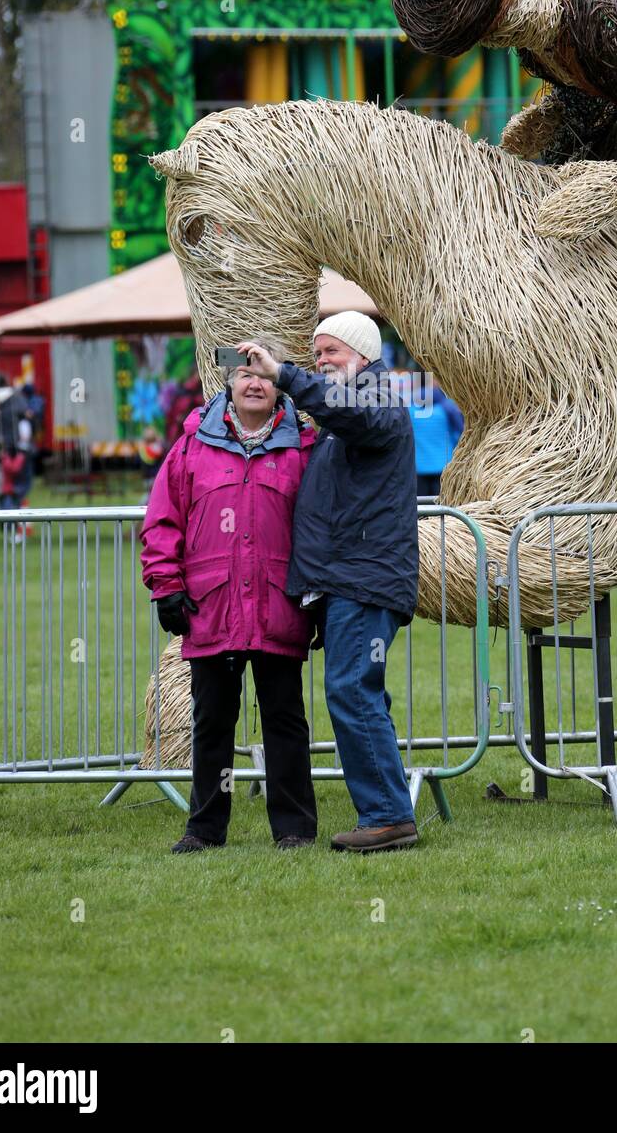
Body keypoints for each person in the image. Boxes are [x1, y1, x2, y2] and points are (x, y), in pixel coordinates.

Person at [236, 310, 420, 853]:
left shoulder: (376, 398)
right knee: (360, 692)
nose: (321, 362)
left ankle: (387, 816)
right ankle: (388, 812)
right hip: (349, 583)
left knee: (351, 691)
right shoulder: (346, 412)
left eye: (331, 352)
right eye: (316, 354)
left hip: (365, 582)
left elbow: (351, 414)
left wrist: (287, 375)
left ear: (363, 356)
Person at [140, 337, 318, 852]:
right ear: (229, 384)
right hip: (211, 603)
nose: (254, 383)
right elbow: (162, 520)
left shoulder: (303, 449)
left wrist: (319, 594)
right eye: (244, 375)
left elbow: (321, 527)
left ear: (278, 381)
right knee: (212, 719)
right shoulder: (193, 445)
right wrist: (167, 586)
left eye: (263, 374)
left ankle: (294, 827)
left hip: (278, 602)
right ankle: (203, 829)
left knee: (285, 718)